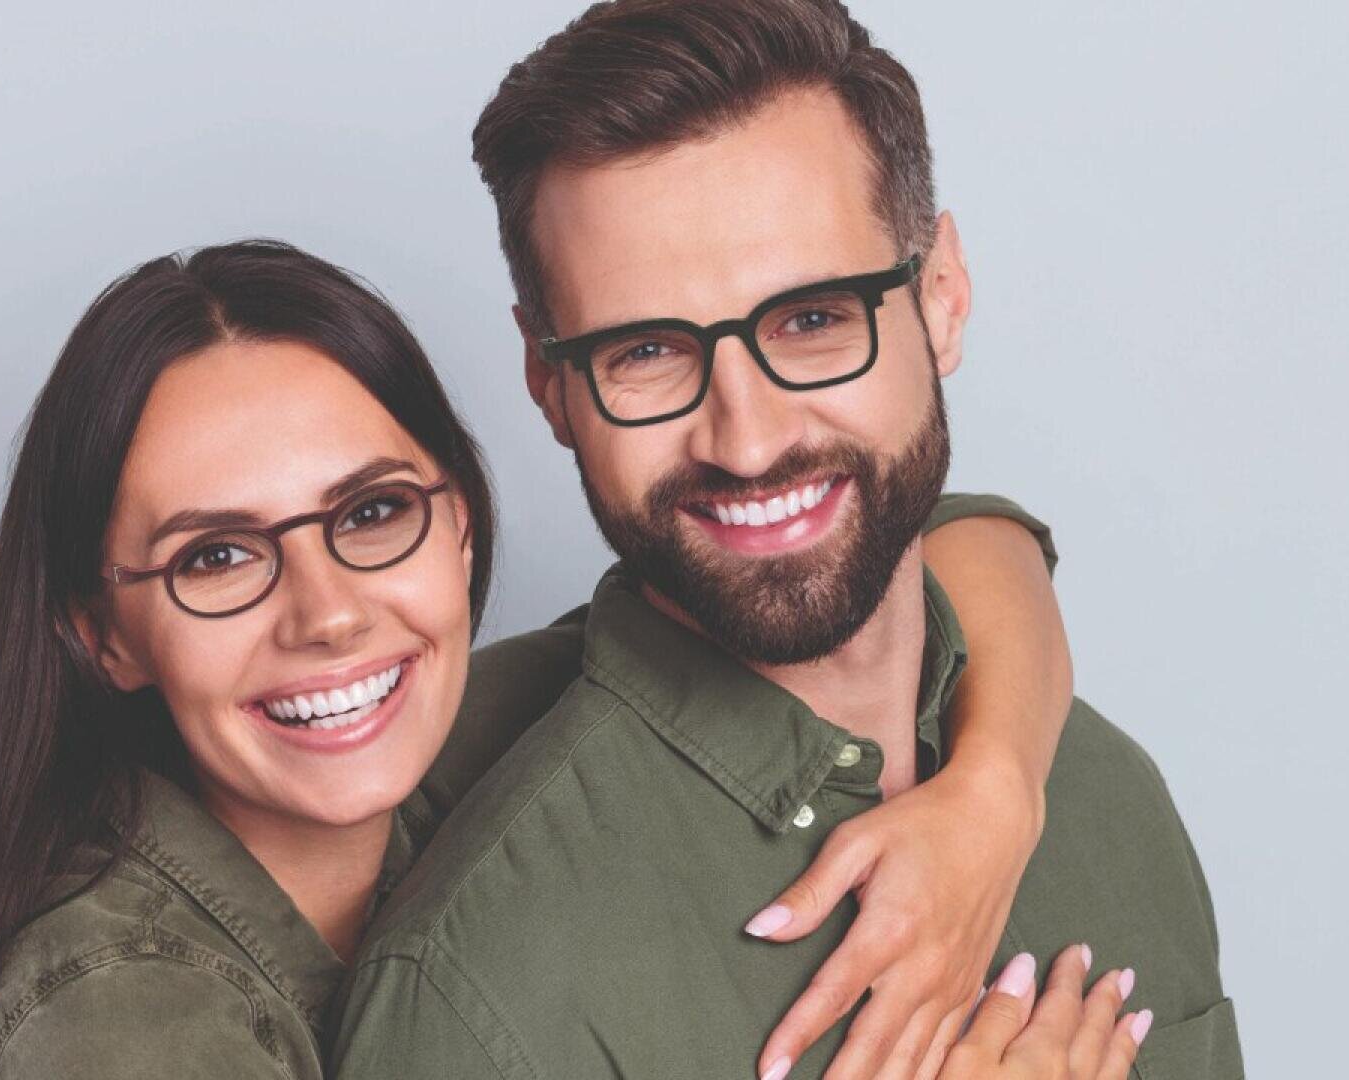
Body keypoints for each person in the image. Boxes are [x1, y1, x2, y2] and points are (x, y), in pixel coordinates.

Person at [0, 240, 1114, 1080]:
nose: (327, 615)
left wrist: (992, 797)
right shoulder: (120, 1023)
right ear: (101, 634)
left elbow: (953, 542)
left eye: (370, 514)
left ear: (459, 520)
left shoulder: (497, 726)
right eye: (215, 558)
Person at [332, 2, 1243, 1079]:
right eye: (648, 351)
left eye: (812, 319)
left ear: (940, 295)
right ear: (551, 383)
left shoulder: (1100, 793)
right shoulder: (486, 989)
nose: (750, 441)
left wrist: (1004, 781)